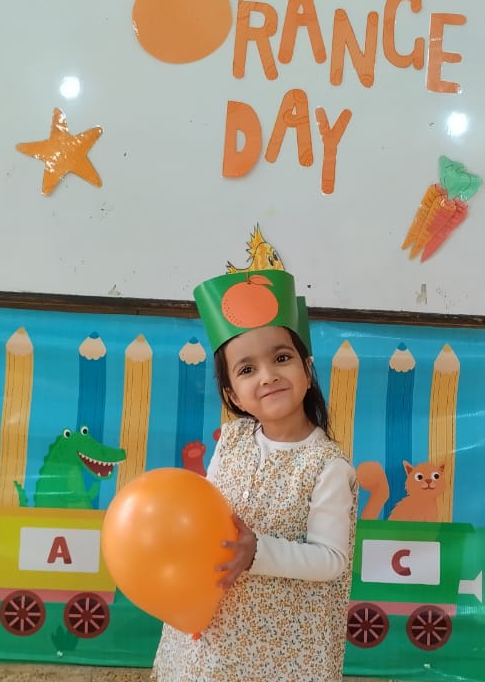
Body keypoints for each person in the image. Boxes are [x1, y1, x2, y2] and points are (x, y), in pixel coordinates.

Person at [152, 269, 359, 682]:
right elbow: (208, 511)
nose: (268, 376)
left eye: (281, 358)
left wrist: (257, 552)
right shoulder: (232, 440)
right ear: (232, 393)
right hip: (215, 625)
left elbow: (331, 559)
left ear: (307, 370)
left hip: (284, 646)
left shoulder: (326, 465)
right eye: (247, 369)